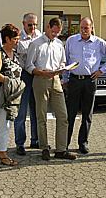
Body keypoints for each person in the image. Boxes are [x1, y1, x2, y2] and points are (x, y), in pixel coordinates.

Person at [64, 17, 106, 154]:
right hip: (74, 80)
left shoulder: (98, 42)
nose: (83, 30)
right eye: (81, 27)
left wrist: (102, 70)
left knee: (87, 114)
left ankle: (83, 143)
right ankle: (64, 144)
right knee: (70, 114)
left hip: (90, 81)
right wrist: (65, 79)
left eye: (86, 28)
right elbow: (65, 60)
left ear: (91, 28)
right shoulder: (71, 41)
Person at [25, 17, 77, 161]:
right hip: (40, 79)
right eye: (53, 32)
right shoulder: (35, 44)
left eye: (57, 33)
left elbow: (63, 61)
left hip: (56, 80)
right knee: (41, 116)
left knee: (63, 115)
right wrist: (41, 72)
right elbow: (29, 65)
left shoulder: (59, 44)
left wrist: (62, 68)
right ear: (48, 27)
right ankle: (44, 147)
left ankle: (61, 149)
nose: (55, 35)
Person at [0, 24, 25, 166]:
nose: (18, 41)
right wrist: (10, 81)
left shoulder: (15, 54)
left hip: (15, 94)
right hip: (4, 94)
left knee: (8, 123)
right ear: (7, 38)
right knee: (4, 124)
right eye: (15, 39)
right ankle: (2, 152)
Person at [14, 13, 42, 156]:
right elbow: (21, 51)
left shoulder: (39, 35)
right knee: (21, 112)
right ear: (24, 24)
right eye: (30, 25)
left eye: (35, 24)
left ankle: (35, 139)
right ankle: (20, 143)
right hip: (24, 75)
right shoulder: (18, 38)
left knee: (37, 110)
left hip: (37, 75)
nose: (33, 27)